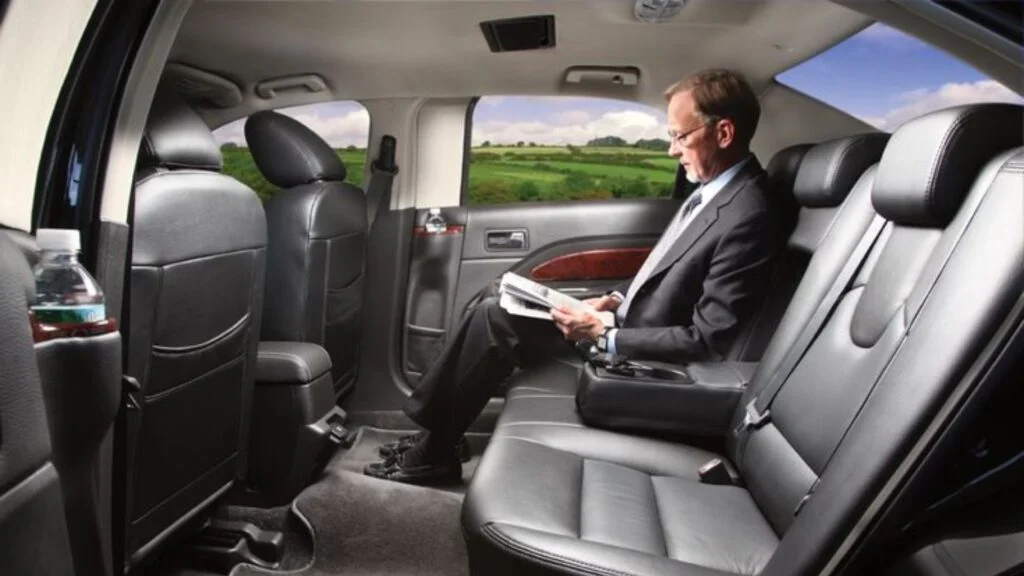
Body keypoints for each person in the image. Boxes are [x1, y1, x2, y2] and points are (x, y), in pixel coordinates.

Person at [365, 68, 779, 485]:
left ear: (723, 133)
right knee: (499, 298)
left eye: (680, 136)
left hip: (648, 362)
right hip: (627, 325)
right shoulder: (713, 195)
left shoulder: (748, 214)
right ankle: (440, 436)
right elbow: (663, 274)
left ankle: (433, 449)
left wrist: (603, 335)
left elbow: (709, 340)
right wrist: (613, 300)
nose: (672, 150)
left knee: (496, 318)